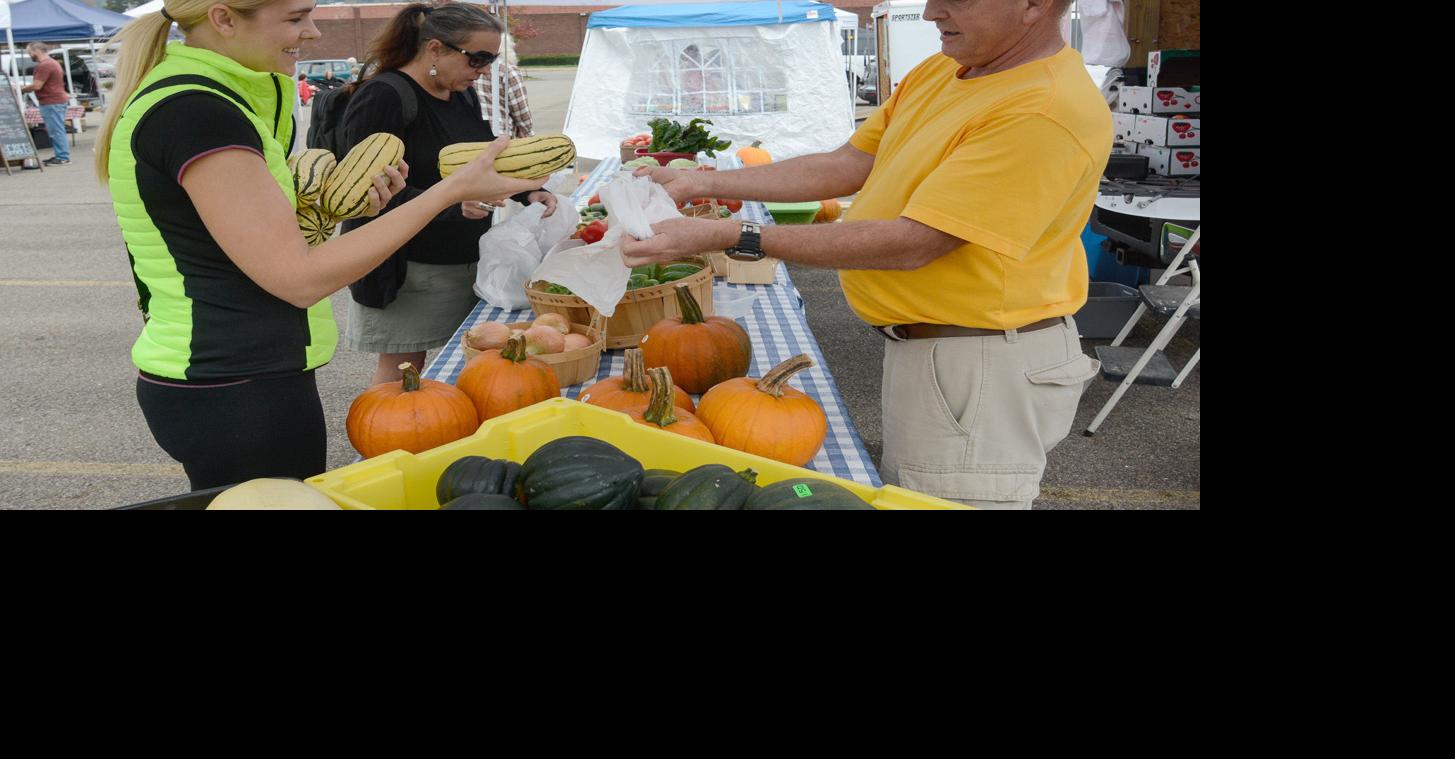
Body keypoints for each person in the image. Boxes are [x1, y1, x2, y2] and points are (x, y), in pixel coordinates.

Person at [621, 0, 1110, 510]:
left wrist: (730, 236)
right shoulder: (946, 70)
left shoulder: (1043, 109)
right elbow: (850, 162)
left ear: (1033, 5)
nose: (930, 13)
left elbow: (913, 242)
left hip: (984, 364)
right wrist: (701, 181)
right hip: (942, 351)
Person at [96, 0, 545, 490]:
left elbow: (244, 241)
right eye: (295, 18)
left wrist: (343, 206)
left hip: (236, 373)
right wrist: (451, 191)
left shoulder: (215, 100)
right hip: (232, 383)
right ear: (224, 19)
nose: (311, 33)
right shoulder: (198, 112)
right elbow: (299, 279)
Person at [337, 2, 557, 387]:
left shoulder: (461, 93)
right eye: (478, 58)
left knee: (464, 370)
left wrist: (530, 192)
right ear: (436, 49)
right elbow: (363, 194)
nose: (485, 70)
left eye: (490, 59)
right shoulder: (384, 97)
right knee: (402, 378)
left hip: (466, 260)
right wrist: (452, 206)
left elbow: (487, 158)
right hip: (408, 270)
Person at [19, 43, 72, 166]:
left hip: (52, 101)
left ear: (36, 51)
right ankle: (60, 155)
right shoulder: (52, 63)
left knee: (56, 130)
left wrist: (20, 89)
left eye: (29, 52)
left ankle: (62, 157)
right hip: (56, 100)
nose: (29, 55)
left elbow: (37, 85)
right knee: (56, 129)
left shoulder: (45, 65)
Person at [474, 57, 532, 138]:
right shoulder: (508, 70)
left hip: (470, 134)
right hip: (499, 136)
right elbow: (522, 113)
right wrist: (527, 133)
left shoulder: (468, 68)